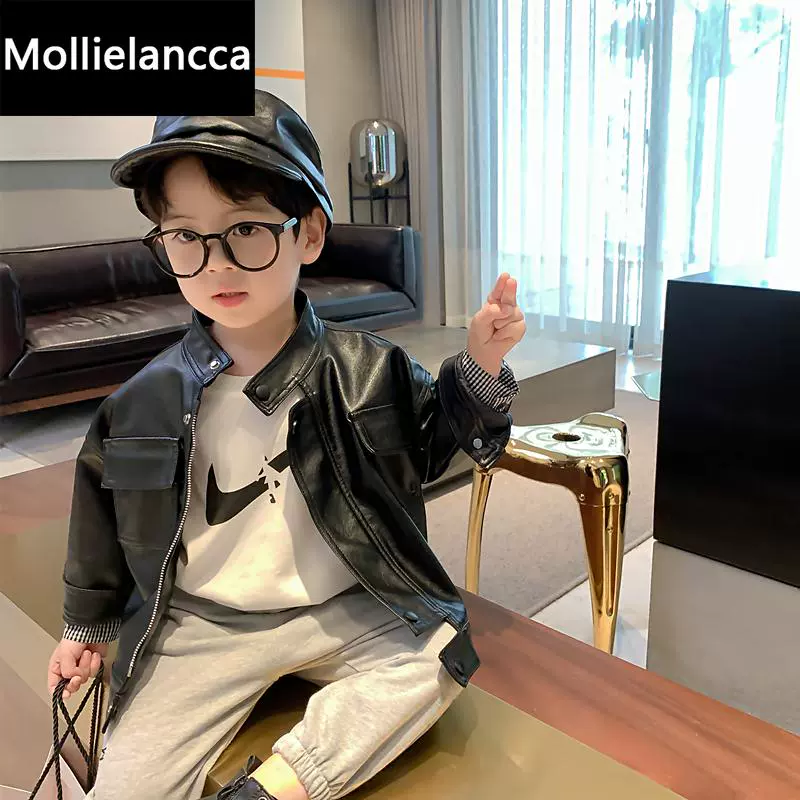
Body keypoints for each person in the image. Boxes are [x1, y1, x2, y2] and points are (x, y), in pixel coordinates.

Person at [46, 90, 526, 800]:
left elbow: (438, 448)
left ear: (309, 234)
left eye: (246, 229)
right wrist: (85, 628)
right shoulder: (142, 401)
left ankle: (281, 786)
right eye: (185, 236)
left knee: (440, 653)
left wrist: (479, 365)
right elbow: (101, 517)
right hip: (203, 623)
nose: (216, 264)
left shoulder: (369, 370)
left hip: (345, 604)